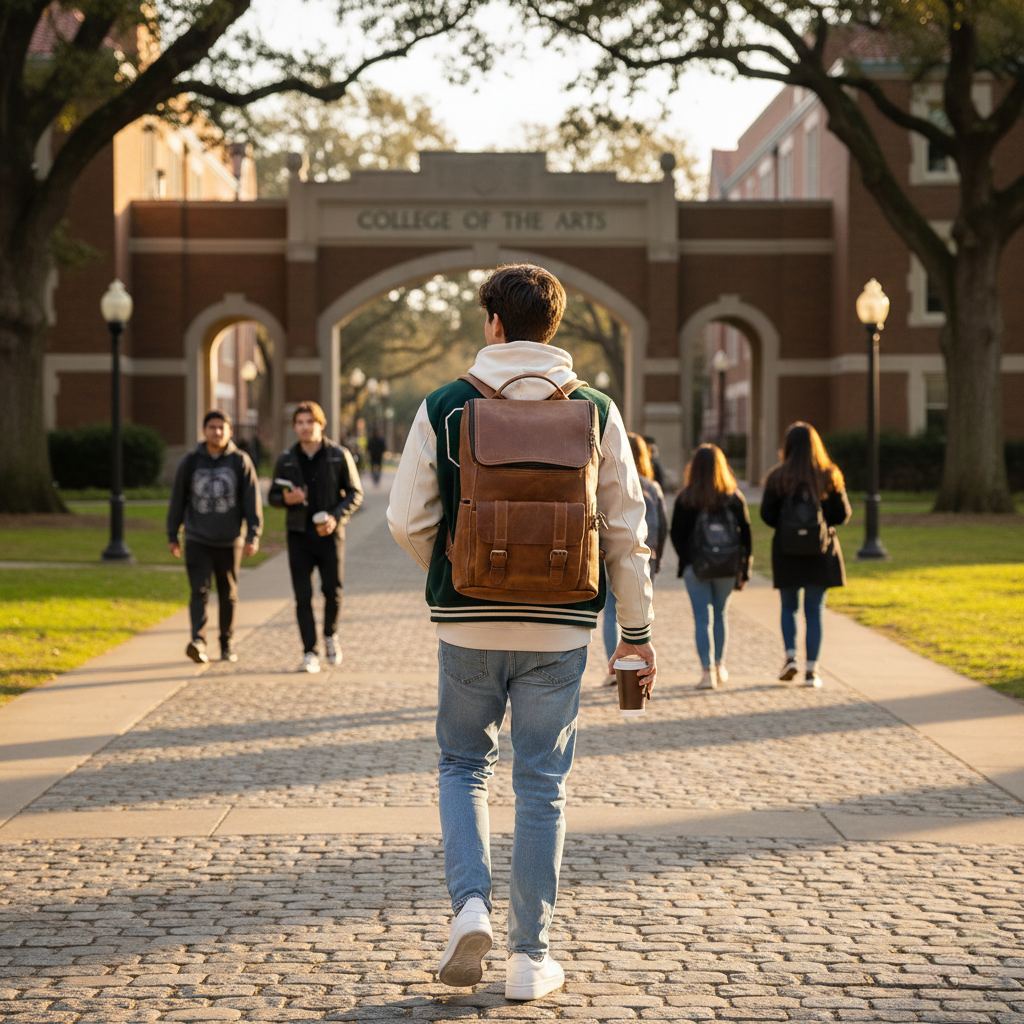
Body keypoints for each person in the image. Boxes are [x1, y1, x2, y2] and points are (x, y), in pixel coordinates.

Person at [387, 263, 655, 1002]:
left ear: (494, 325)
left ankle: (469, 906)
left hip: (467, 624)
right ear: (553, 328)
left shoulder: (444, 405)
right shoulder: (597, 409)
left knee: (462, 766)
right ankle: (530, 959)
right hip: (562, 629)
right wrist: (633, 633)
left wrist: (454, 571)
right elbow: (627, 532)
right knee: (542, 787)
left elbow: (406, 520)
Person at [268, 401, 363, 673]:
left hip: (330, 536)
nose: (306, 427)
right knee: (302, 595)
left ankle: (330, 635)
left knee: (332, 591)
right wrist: (287, 498)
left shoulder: (338, 455)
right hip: (298, 536)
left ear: (321, 425)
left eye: (311, 422)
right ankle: (310, 651)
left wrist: (336, 517)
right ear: (295, 427)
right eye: (300, 422)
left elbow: (355, 494)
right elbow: (273, 496)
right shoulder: (286, 459)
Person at [760, 421, 851, 688]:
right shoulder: (828, 474)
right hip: (820, 552)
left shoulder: (778, 476)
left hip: (787, 551)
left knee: (789, 606)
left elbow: (767, 514)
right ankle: (812, 670)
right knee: (815, 610)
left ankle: (790, 657)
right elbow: (842, 514)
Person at [166, 410, 262, 665]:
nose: (217, 432)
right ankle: (198, 641)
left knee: (228, 594)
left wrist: (253, 533)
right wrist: (172, 534)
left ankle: (226, 643)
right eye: (212, 427)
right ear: (204, 430)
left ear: (229, 431)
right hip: (197, 538)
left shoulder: (240, 462)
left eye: (222, 427)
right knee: (199, 591)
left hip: (229, 540)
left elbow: (251, 501)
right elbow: (178, 500)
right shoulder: (190, 461)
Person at [670, 444, 752, 689]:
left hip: (697, 567)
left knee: (702, 619)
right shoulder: (733, 497)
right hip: (727, 567)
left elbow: (676, 534)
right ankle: (720, 665)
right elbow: (746, 535)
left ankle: (707, 673)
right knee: (721, 615)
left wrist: (689, 560)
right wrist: (744, 570)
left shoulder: (686, 498)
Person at [602, 432, 667, 685]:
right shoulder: (651, 487)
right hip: (645, 555)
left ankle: (613, 664)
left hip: (611, 553)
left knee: (610, 613)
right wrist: (657, 560)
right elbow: (662, 525)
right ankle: (636, 660)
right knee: (640, 612)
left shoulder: (610, 483)